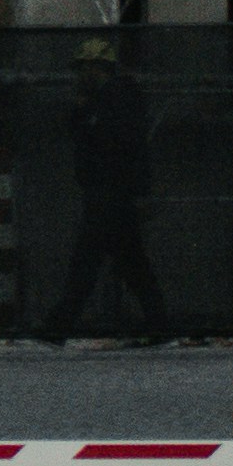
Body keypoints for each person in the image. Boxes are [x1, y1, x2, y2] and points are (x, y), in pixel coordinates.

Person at [44, 30, 168, 342]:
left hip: (110, 194)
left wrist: (84, 113)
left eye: (84, 68)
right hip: (113, 194)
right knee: (128, 261)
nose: (79, 75)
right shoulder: (112, 100)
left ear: (96, 69)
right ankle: (158, 321)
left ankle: (62, 320)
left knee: (89, 260)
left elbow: (114, 144)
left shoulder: (113, 102)